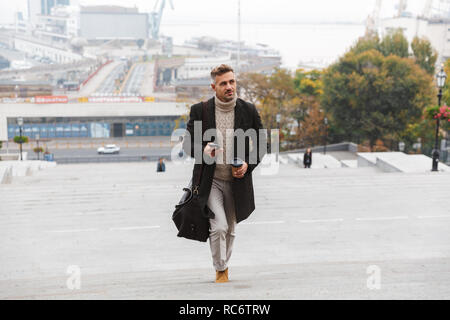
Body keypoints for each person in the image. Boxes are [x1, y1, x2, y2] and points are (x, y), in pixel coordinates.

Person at [182, 64, 267, 283]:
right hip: (211, 181)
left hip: (237, 181)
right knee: (218, 226)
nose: (229, 87)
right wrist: (202, 150)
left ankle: (224, 265)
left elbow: (261, 144)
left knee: (230, 228)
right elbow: (187, 144)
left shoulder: (248, 110)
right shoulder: (200, 110)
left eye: (232, 82)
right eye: (223, 83)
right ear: (214, 86)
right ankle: (220, 269)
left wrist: (248, 165)